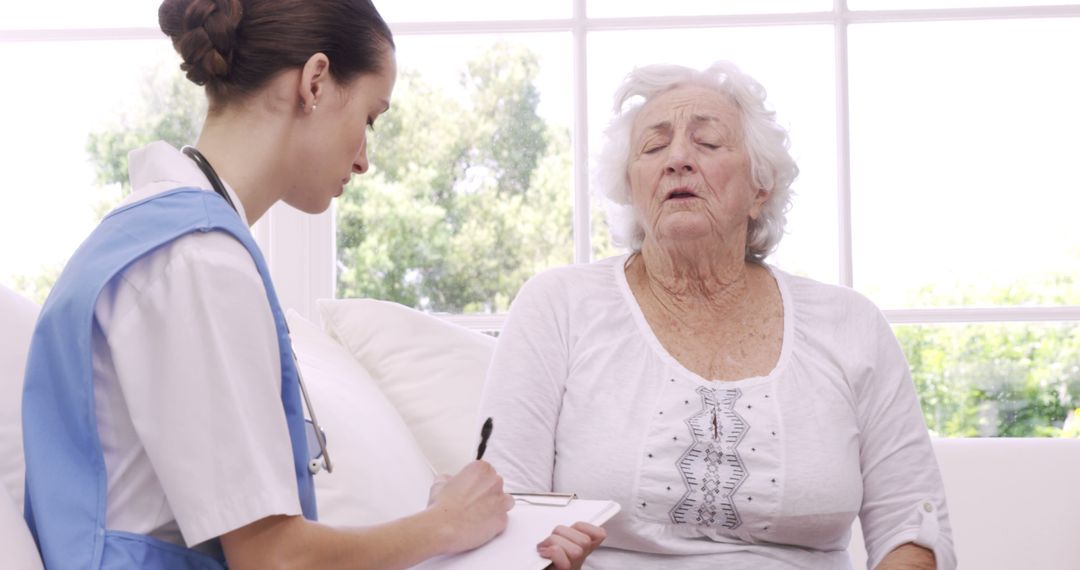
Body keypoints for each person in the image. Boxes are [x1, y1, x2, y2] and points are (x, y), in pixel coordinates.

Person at [20, 1, 600, 568]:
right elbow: (274, 560)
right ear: (315, 82)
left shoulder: (164, 236)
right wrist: (444, 527)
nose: (366, 158)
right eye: (370, 118)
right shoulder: (196, 261)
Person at [478, 61, 956, 570]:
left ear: (760, 188)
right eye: (653, 147)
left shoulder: (851, 323)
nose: (678, 159)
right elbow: (504, 512)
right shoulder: (558, 305)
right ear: (631, 188)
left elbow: (913, 529)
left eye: (707, 143)